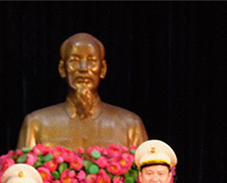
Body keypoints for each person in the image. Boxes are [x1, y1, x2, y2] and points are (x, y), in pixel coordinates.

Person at [17, 33, 148, 151]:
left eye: (92, 61)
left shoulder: (130, 124)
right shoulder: (36, 123)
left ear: (103, 69)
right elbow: (21, 170)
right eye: (74, 60)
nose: (83, 68)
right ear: (62, 69)